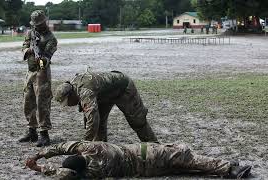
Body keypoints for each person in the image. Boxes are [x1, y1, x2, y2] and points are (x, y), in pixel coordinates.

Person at [26, 141, 252, 179]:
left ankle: (225, 170)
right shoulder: (89, 148)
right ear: (78, 156)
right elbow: (62, 147)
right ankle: (230, 168)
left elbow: (63, 174)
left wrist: (40, 169)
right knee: (186, 157)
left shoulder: (93, 174)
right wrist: (39, 155)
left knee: (185, 169)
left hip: (146, 171)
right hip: (147, 153)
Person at [54, 71, 158, 142]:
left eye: (67, 102)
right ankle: (101, 150)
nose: (68, 105)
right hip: (104, 94)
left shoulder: (85, 92)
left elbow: (92, 120)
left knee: (137, 121)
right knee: (99, 125)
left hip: (123, 87)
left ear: (71, 95)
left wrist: (84, 143)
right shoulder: (74, 86)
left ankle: (154, 146)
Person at [19, 10, 58, 147]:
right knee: (27, 102)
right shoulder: (30, 33)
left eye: (39, 24)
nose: (37, 26)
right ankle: (32, 131)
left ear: (44, 22)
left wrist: (40, 59)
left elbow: (47, 58)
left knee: (42, 103)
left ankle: (44, 134)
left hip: (42, 74)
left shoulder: (51, 39)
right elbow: (24, 45)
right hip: (30, 72)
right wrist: (27, 51)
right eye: (35, 24)